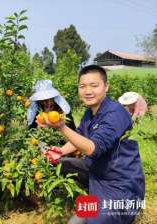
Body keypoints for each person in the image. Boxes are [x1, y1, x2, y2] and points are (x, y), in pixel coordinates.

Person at [37, 65, 145, 224]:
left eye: (94, 86)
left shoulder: (115, 114)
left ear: (106, 87)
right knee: (62, 164)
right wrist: (59, 151)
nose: (88, 91)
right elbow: (80, 135)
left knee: (86, 221)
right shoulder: (91, 111)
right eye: (83, 86)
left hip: (121, 186)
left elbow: (92, 148)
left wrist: (61, 127)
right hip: (98, 174)